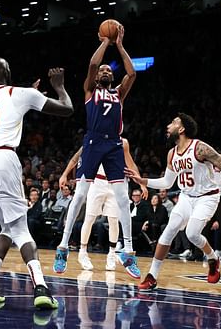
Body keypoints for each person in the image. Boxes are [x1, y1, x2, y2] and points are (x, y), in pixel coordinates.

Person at [0, 57, 73, 309]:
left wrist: (30, 93)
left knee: (8, 226)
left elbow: (3, 104)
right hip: (2, 156)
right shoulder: (21, 93)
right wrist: (59, 86)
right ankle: (41, 287)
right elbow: (67, 108)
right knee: (22, 229)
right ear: (8, 71)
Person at [125, 113, 221, 291]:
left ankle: (213, 258)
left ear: (182, 129)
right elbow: (167, 183)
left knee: (192, 233)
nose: (168, 126)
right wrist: (143, 181)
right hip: (186, 197)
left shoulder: (200, 148)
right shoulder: (171, 154)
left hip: (207, 197)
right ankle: (152, 276)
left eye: (173, 122)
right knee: (168, 232)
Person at [53, 23, 140, 279]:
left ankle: (128, 252)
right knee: (79, 196)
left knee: (123, 199)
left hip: (113, 143)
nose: (103, 70)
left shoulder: (118, 93)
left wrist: (120, 46)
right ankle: (63, 247)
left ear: (111, 76)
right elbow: (92, 66)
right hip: (92, 142)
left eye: (106, 70)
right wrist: (105, 41)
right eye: (101, 69)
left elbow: (132, 74)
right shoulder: (90, 91)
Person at [59, 138, 147, 272]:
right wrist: (64, 174)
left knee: (113, 220)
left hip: (116, 182)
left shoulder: (123, 142)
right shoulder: (95, 138)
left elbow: (131, 164)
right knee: (89, 218)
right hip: (97, 182)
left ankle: (112, 254)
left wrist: (142, 183)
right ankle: (82, 252)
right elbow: (76, 158)